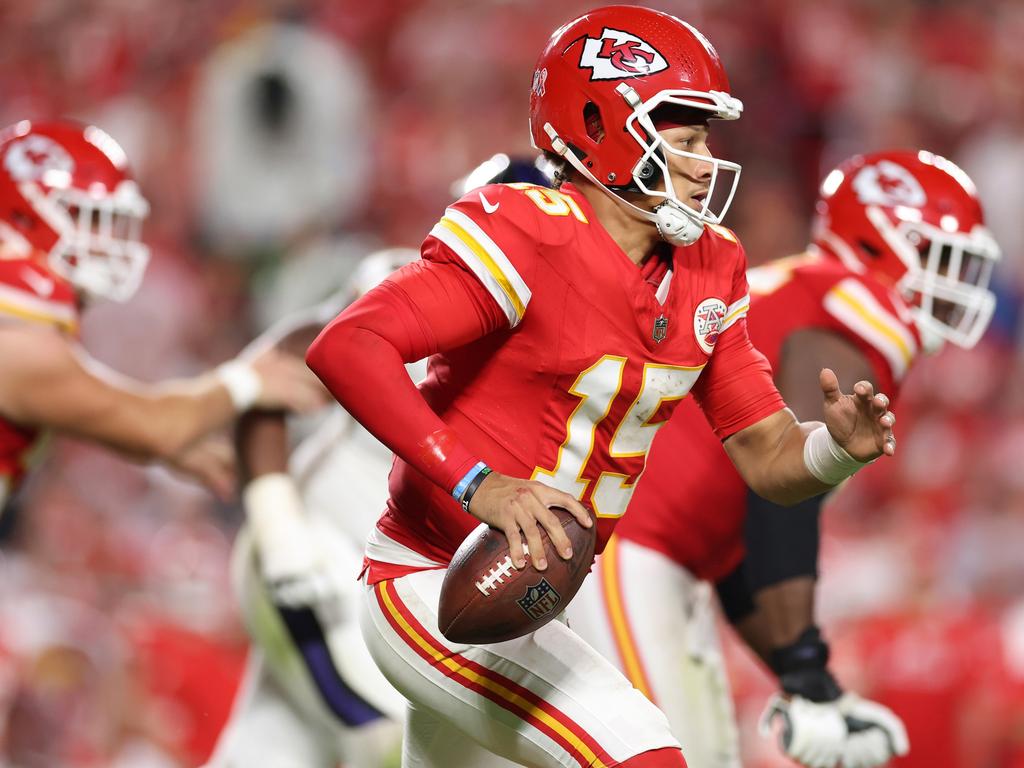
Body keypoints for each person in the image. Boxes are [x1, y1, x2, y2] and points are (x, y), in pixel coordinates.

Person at [306, 7, 896, 767]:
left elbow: (766, 452)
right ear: (601, 128)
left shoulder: (711, 266)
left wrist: (836, 454)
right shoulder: (528, 230)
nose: (703, 163)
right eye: (684, 140)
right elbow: (349, 345)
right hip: (428, 579)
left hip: (535, 599)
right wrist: (478, 485)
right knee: (645, 755)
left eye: (705, 141)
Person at [567, 149, 1001, 768]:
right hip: (625, 538)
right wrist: (803, 664)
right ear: (878, 244)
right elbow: (782, 497)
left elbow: (744, 541)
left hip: (660, 550)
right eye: (934, 254)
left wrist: (805, 677)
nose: (951, 280)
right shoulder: (845, 313)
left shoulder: (806, 296)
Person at [209, 156, 556, 768]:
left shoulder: (586, 346)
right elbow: (275, 376)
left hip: (416, 589)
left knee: (272, 748)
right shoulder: (418, 288)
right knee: (386, 743)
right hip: (320, 561)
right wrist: (277, 522)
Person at [0, 119, 323, 514]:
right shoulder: (14, 335)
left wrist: (152, 440)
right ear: (23, 216)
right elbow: (154, 426)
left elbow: (75, 403)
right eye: (90, 219)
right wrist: (248, 378)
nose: (109, 241)